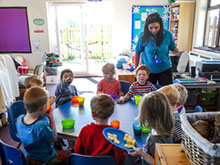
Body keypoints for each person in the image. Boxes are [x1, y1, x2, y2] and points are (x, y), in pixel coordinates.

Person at [16, 87, 70, 164]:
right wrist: (51, 119)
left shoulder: (19, 119)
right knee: (69, 155)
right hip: (45, 161)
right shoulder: (41, 126)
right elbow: (54, 138)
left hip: (28, 159)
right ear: (44, 107)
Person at [74, 94, 126, 165]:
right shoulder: (114, 134)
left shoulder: (85, 130)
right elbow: (120, 159)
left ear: (93, 114)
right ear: (112, 112)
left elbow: (77, 151)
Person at [135, 12, 183, 86]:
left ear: (160, 25)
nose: (154, 30)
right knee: (149, 95)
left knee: (166, 93)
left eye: (156, 27)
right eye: (151, 28)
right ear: (147, 27)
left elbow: (172, 47)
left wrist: (178, 52)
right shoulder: (143, 36)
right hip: (148, 70)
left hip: (165, 69)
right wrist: (136, 69)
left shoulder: (167, 34)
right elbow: (137, 52)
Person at [128, 91, 174, 165]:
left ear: (148, 116)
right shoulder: (166, 126)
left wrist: (141, 153)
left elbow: (159, 163)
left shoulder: (155, 140)